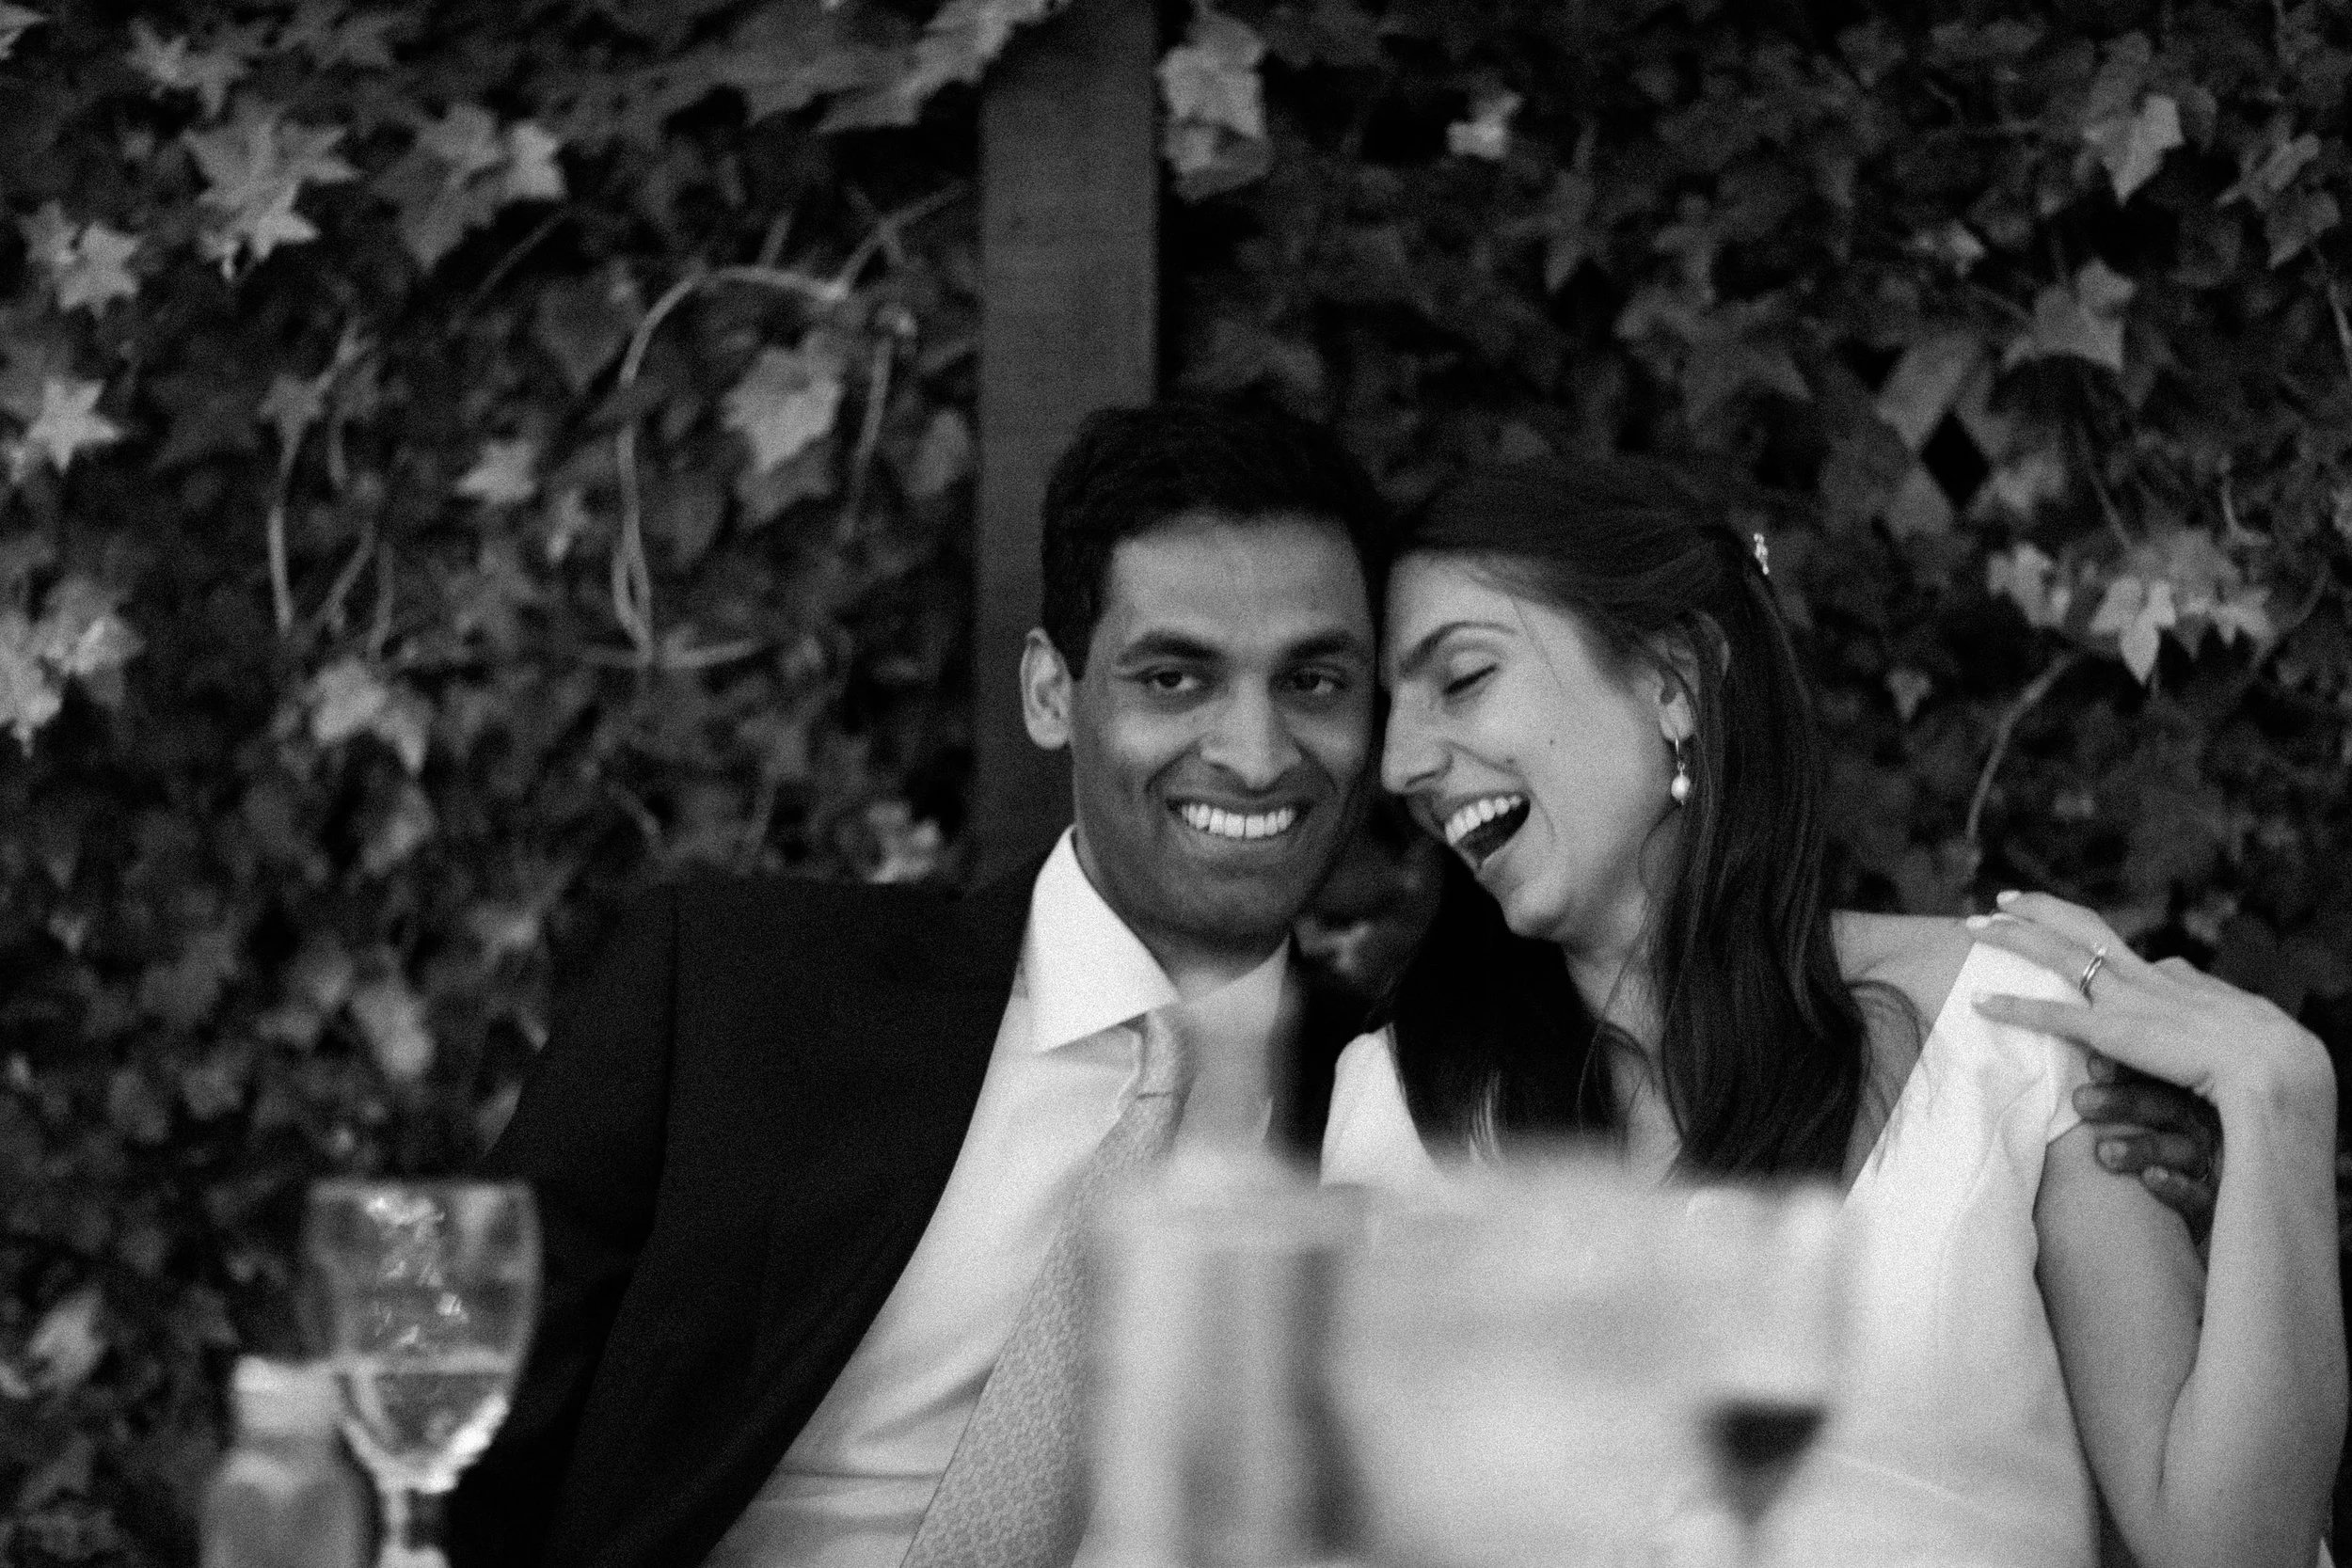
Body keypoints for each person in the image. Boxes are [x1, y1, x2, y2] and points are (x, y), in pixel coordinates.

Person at [1322, 454, 2344, 1568]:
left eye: (1461, 677)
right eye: (1389, 707)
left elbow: (2230, 1546)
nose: (1400, 762)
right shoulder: (1396, 1097)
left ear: (1673, 679)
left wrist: (2278, 1099)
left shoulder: (2005, 1025)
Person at [445, 397, 1391, 1568]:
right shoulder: (733, 988)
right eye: (1173, 679)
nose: (1255, 754)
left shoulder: (1406, 1110)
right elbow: (448, 1425)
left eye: (1312, 682)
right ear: (1052, 692)